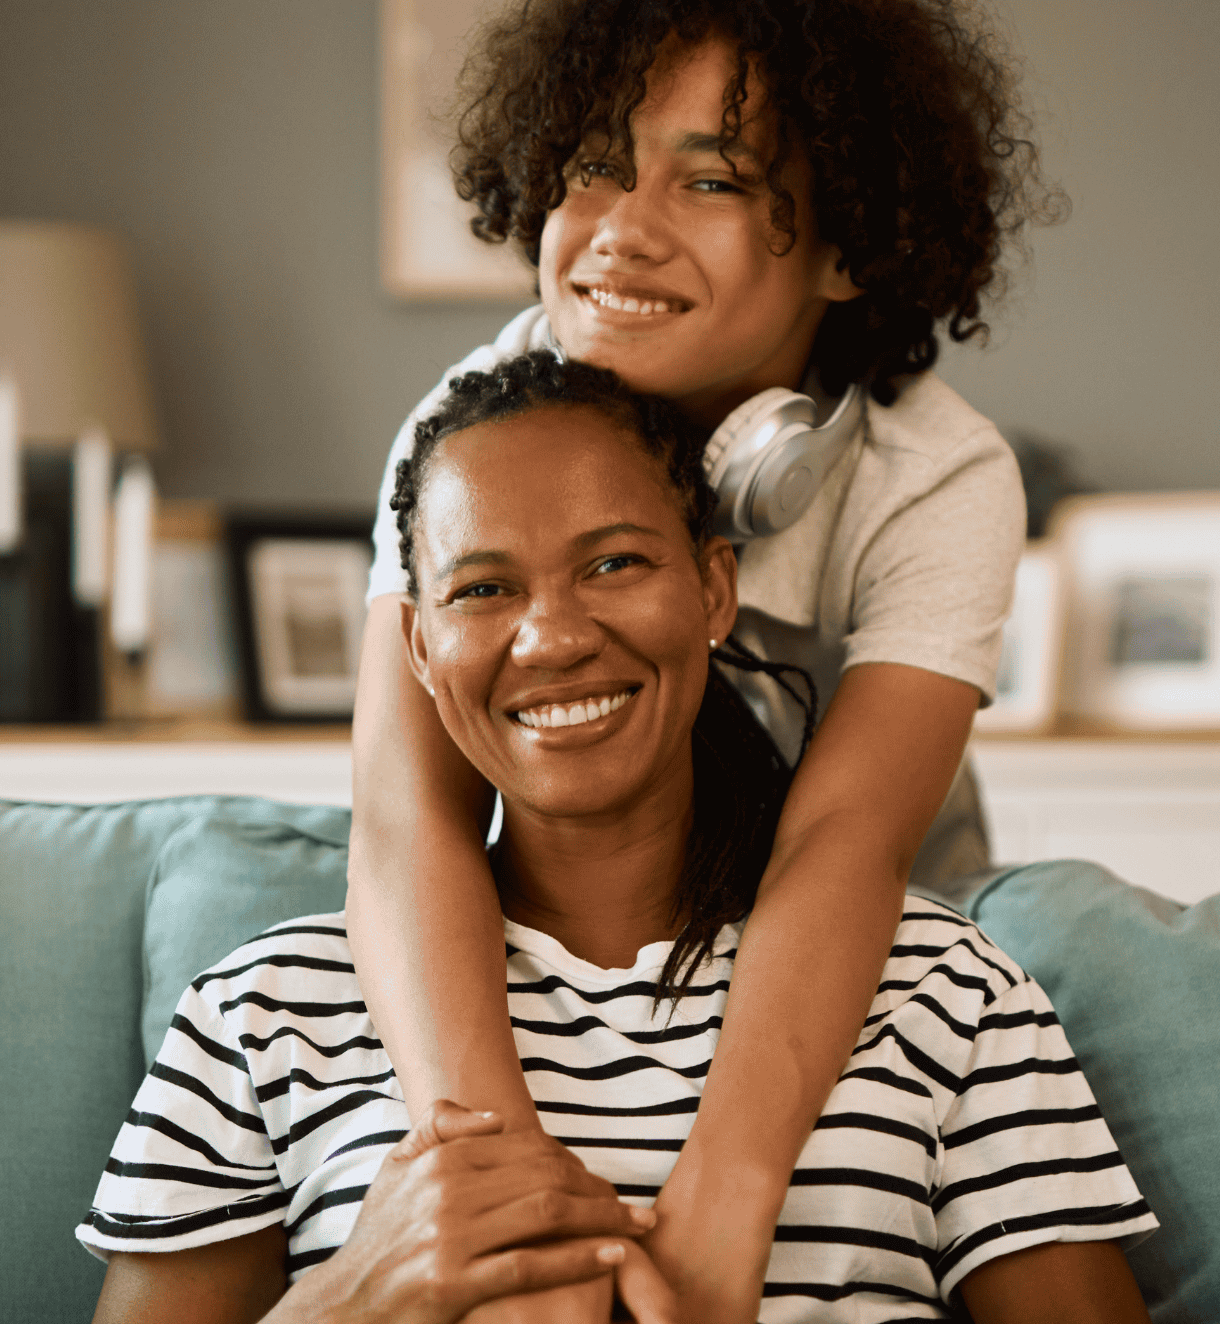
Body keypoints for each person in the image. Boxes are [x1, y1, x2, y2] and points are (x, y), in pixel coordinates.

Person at [81, 356, 1153, 1323]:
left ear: (714, 589)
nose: (552, 636)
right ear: (416, 645)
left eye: (614, 565)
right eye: (484, 587)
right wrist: (355, 1297)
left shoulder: (948, 996)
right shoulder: (263, 1016)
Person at [347, 4, 1053, 1316]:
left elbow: (845, 846)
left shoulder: (937, 477)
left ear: (847, 244)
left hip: (858, 941)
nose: (622, 223)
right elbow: (404, 822)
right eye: (593, 165)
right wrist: (507, 1204)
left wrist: (728, 1203)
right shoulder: (459, 437)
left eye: (712, 177)